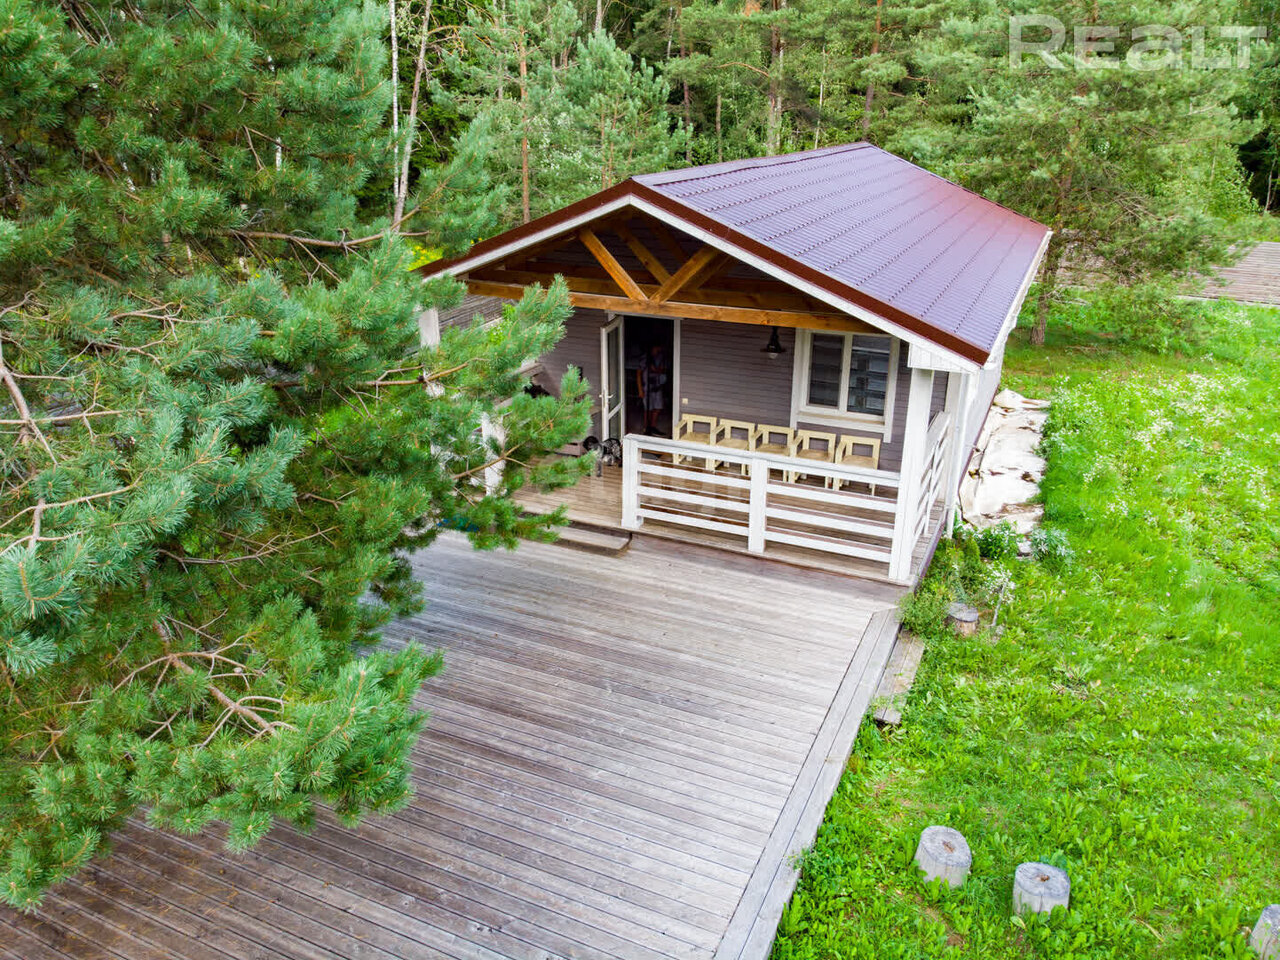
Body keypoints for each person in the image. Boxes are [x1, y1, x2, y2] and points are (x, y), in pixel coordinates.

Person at [637, 344, 667, 435]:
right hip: (647, 387)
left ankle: (653, 427)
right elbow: (638, 374)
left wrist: (659, 370)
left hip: (657, 386)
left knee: (657, 407)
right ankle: (647, 428)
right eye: (656, 348)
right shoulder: (645, 358)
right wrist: (640, 390)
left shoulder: (661, 357)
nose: (658, 350)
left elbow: (663, 369)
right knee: (648, 409)